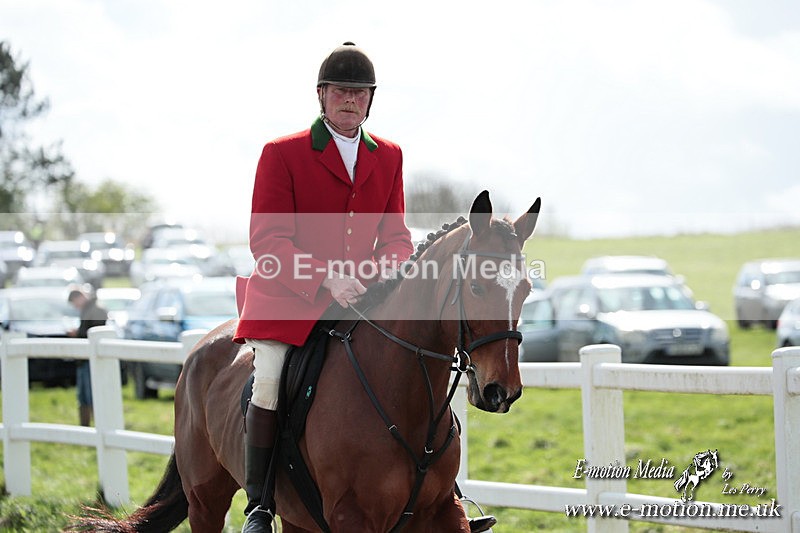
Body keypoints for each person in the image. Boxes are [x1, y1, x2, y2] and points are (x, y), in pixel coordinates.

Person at [234, 42, 495, 533]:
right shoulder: (281, 153)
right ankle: (260, 504)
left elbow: (396, 237)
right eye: (340, 91)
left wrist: (375, 277)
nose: (349, 100)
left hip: (365, 299)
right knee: (267, 380)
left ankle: (440, 491)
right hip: (293, 300)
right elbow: (267, 240)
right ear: (321, 95)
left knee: (411, 373)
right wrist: (326, 276)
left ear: (370, 100)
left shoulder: (390, 155)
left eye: (358, 93)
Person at [67, 287, 108, 426]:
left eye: (74, 303)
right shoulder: (91, 309)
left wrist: (78, 334)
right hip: (85, 359)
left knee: (91, 394)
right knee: (84, 396)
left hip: (90, 360)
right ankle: (87, 427)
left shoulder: (95, 310)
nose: (75, 307)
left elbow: (94, 332)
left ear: (79, 297)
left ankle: (97, 425)